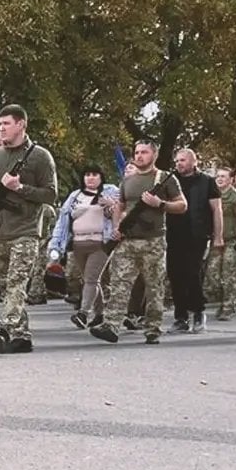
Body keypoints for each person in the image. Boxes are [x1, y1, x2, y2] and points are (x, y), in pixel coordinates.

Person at [0, 105, 58, 353]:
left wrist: (20, 188)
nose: (2, 128)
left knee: (16, 284)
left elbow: (51, 195)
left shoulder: (40, 156)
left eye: (7, 123)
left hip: (25, 230)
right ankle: (21, 336)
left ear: (21, 124)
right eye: (0, 124)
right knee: (4, 285)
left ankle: (4, 328)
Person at [90, 142, 185, 345]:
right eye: (137, 153)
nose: (139, 156)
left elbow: (182, 205)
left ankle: (153, 328)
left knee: (154, 286)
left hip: (153, 241)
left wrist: (159, 204)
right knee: (119, 283)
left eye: (144, 152)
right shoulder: (128, 181)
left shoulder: (165, 178)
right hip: (128, 240)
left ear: (155, 154)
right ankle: (111, 325)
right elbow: (120, 205)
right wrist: (117, 227)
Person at [48, 165, 119, 331]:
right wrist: (56, 245)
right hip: (79, 243)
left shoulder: (110, 192)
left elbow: (121, 211)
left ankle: (83, 313)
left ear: (101, 177)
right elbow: (63, 221)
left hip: (101, 243)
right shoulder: (75, 196)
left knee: (91, 278)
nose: (91, 178)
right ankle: (100, 313)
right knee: (91, 280)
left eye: (95, 174)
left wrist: (111, 205)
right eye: (87, 174)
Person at [164, 148, 221, 334]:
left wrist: (218, 236)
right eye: (177, 160)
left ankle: (198, 311)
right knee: (175, 274)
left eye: (183, 160)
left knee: (192, 273)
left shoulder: (207, 181)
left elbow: (216, 210)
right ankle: (180, 317)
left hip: (197, 234)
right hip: (173, 234)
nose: (179, 163)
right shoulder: (170, 180)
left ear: (193, 162)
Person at [205, 167, 236, 321]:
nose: (219, 179)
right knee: (212, 276)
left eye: (223, 176)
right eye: (217, 176)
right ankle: (222, 301)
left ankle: (228, 306)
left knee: (229, 274)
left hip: (232, 240)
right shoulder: (212, 194)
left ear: (231, 179)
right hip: (216, 240)